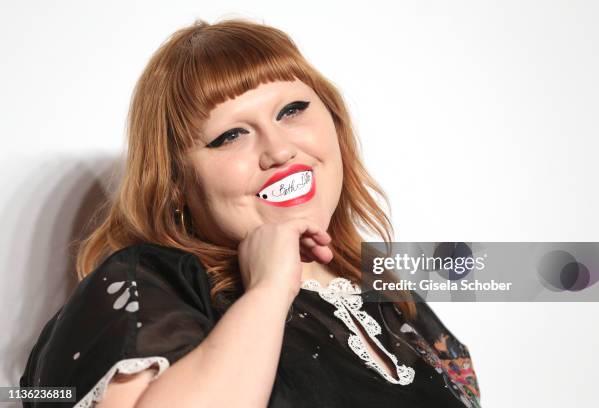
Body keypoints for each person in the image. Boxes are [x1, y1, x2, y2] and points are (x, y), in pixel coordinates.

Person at [20, 18, 481, 407]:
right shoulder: (147, 283)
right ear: (176, 183)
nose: (279, 149)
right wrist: (267, 290)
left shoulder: (390, 295)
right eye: (230, 135)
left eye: (292, 110)